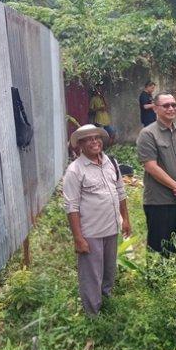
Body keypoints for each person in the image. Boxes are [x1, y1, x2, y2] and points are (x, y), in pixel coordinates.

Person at [63, 124, 131, 316]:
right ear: (80, 145)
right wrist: (78, 238)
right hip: (90, 232)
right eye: (89, 139)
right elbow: (72, 206)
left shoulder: (111, 162)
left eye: (97, 138)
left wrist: (125, 219)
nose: (95, 141)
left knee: (109, 270)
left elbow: (120, 192)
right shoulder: (75, 171)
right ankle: (93, 315)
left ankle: (106, 303)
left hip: (111, 228)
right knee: (91, 275)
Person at [136, 92, 176, 259]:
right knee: (160, 245)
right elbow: (151, 166)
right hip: (159, 201)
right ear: (155, 108)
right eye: (166, 105)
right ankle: (159, 281)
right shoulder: (148, 134)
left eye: (174, 105)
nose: (171, 108)